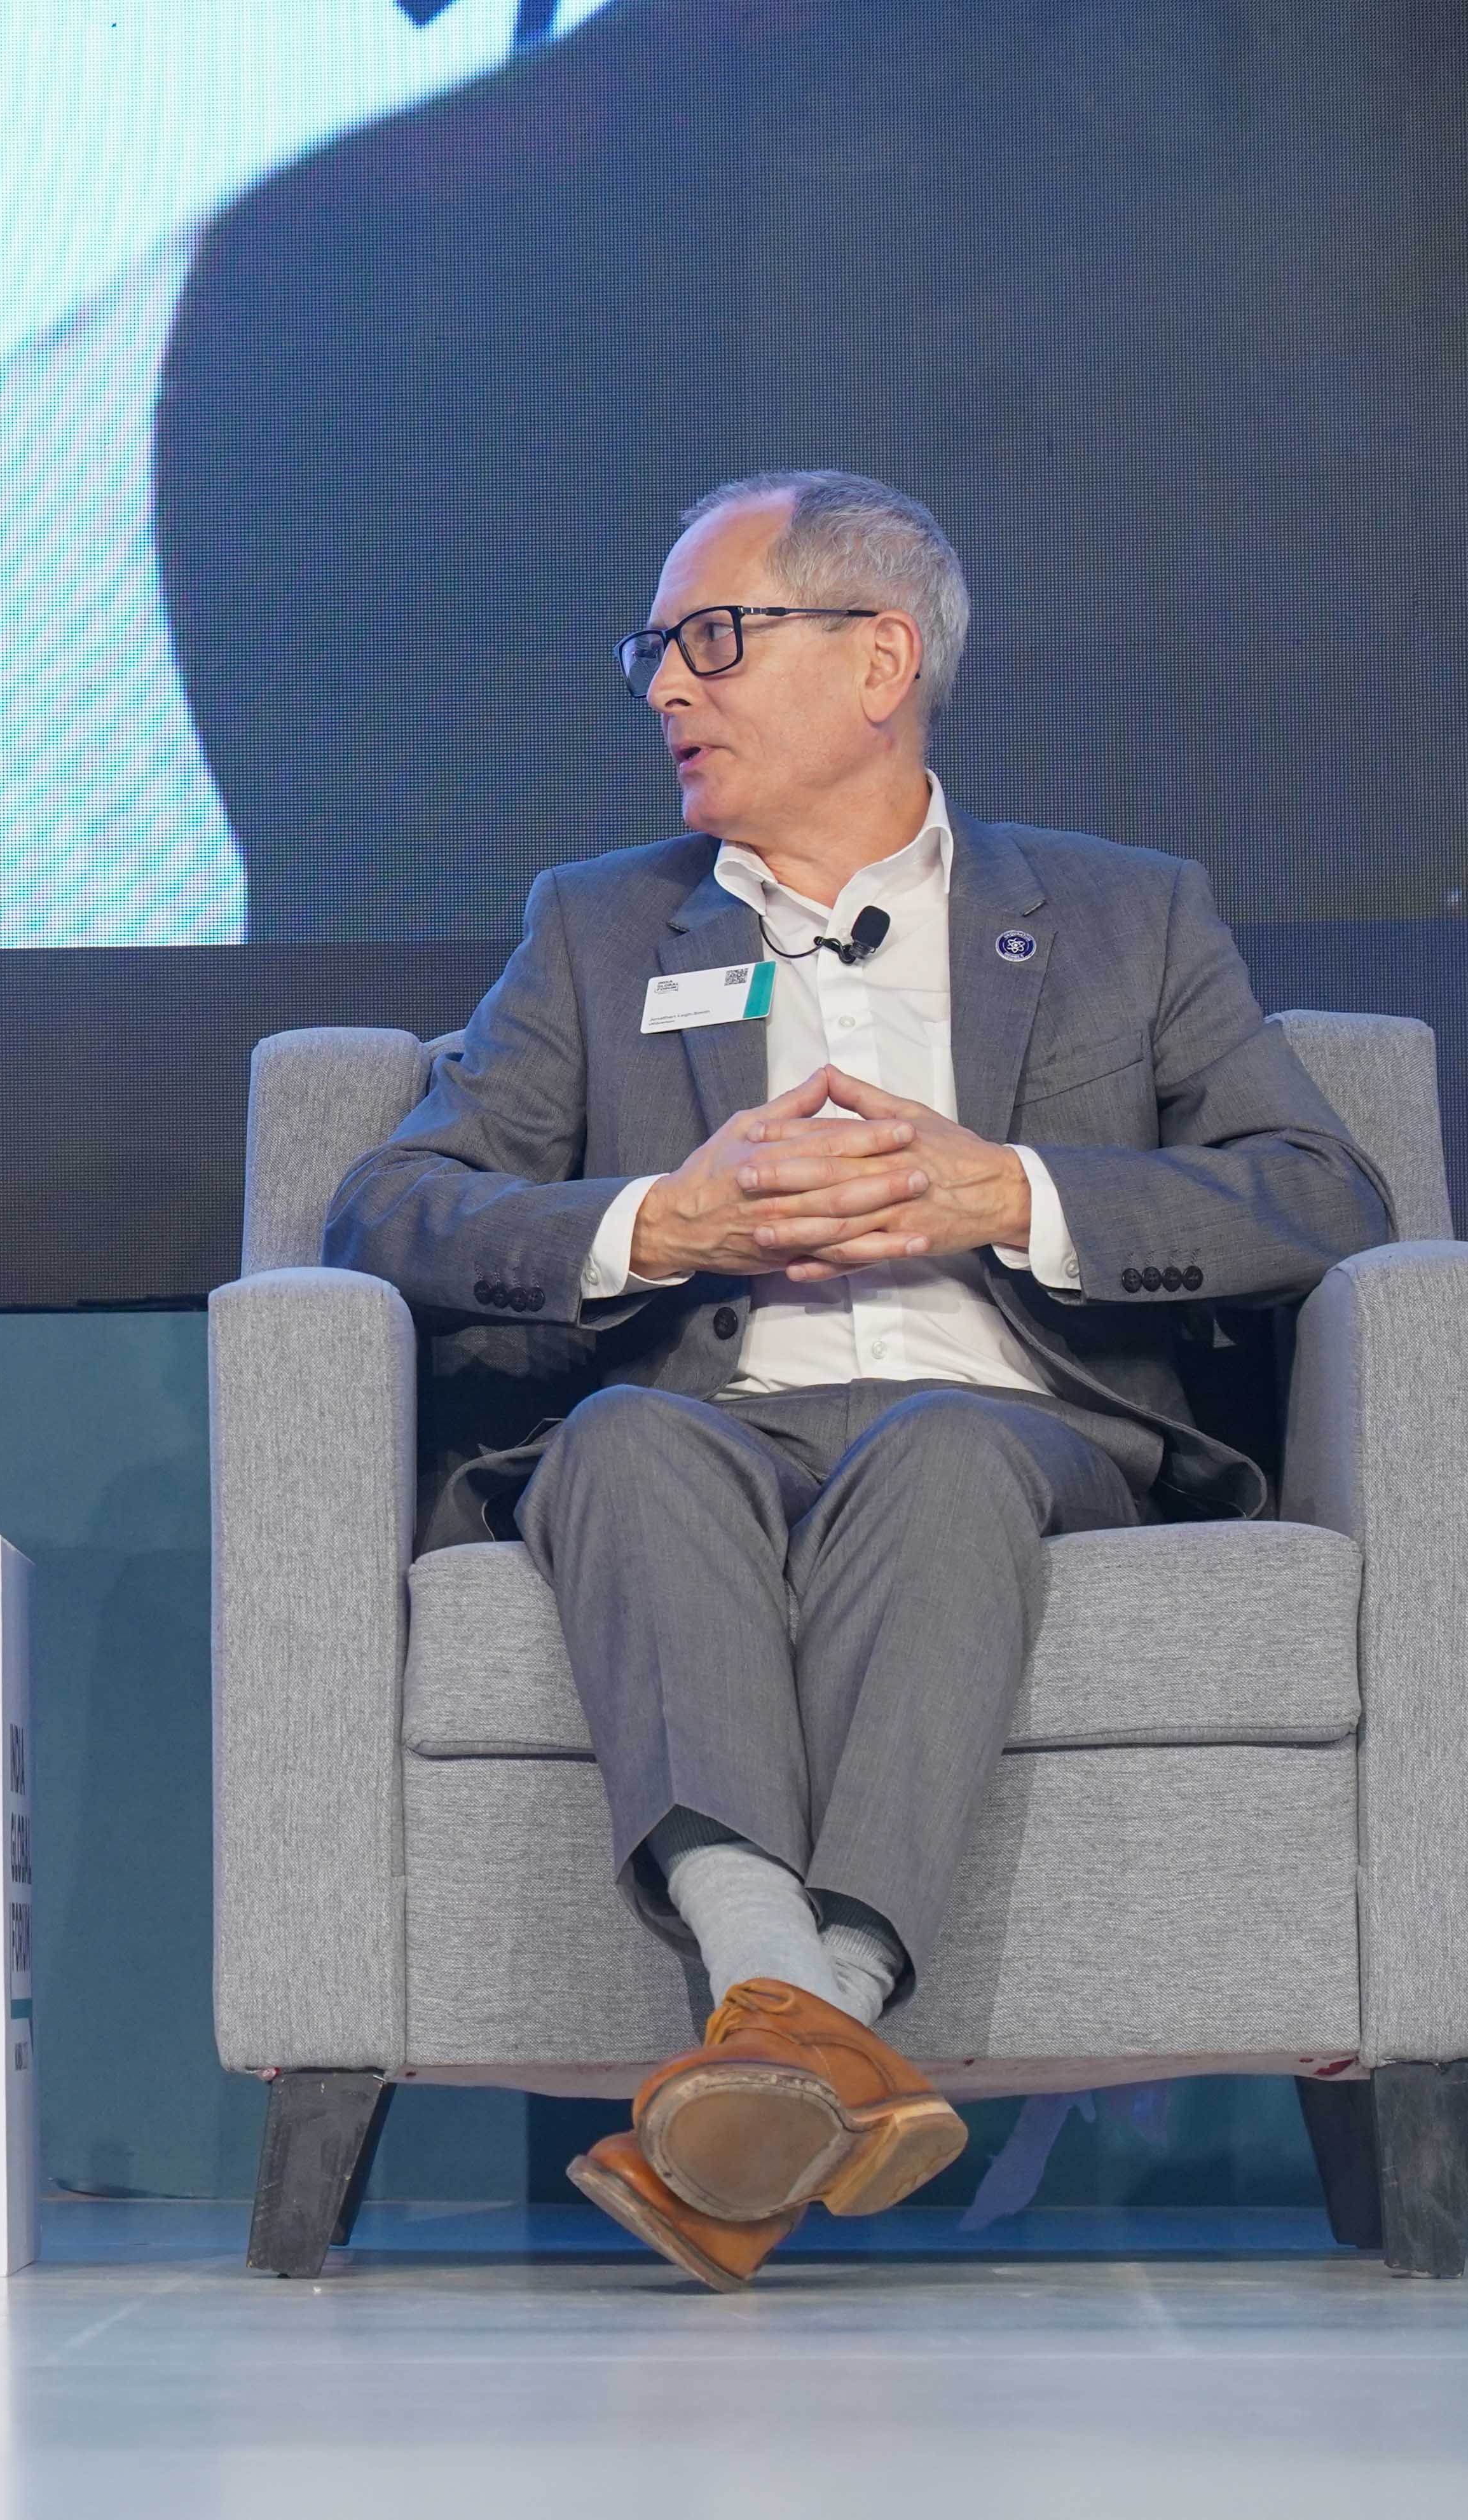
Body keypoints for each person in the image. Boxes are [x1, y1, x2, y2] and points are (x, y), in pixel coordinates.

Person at [322, 471, 1389, 2289]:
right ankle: (810, 2029)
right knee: (624, 1440)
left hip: (1014, 1427)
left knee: (947, 1448)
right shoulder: (597, 928)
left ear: (881, 660)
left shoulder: (1124, 916)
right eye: (655, 652)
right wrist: (661, 1223)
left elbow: (1321, 1191)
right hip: (705, 1421)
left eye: (712, 639)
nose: (667, 686)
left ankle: (778, 2035)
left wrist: (1014, 1192)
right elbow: (390, 1205)